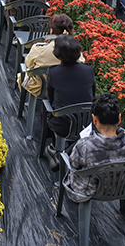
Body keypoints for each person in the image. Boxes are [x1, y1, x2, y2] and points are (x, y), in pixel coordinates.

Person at [63, 92, 125, 203]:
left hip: (89, 191)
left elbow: (73, 164)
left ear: (94, 120)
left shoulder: (84, 146)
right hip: (122, 188)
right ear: (119, 119)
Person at [45, 35, 96, 163]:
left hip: (62, 125)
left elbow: (50, 99)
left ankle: (55, 147)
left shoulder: (53, 72)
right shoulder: (88, 69)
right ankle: (65, 148)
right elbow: (92, 94)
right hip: (86, 122)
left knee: (47, 109)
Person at [21, 14, 83, 97]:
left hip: (41, 89)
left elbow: (28, 63)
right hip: (67, 91)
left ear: (51, 30)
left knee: (24, 72)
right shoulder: (77, 53)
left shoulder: (39, 48)